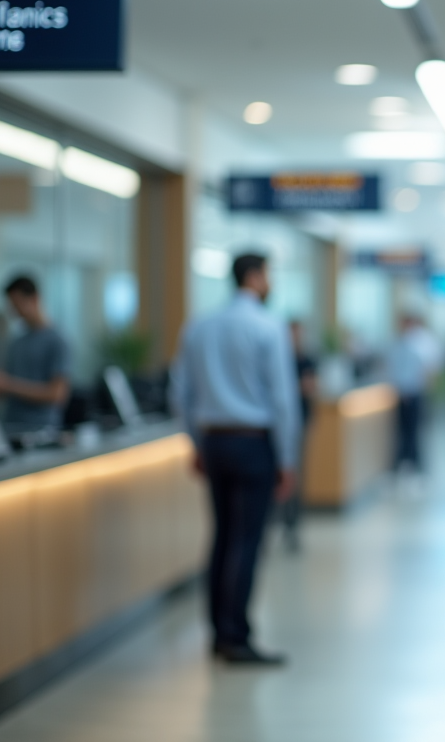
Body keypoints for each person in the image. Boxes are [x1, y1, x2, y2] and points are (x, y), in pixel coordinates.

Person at [172, 253, 300, 666]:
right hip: (253, 443)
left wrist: (196, 443)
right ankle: (236, 637)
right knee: (247, 540)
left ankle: (217, 632)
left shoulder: (199, 326)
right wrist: (287, 458)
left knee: (223, 536)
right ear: (254, 276)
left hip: (214, 442)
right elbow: (282, 399)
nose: (270, 282)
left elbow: (182, 395)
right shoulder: (268, 326)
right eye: (268, 273)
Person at [0, 275, 71, 433]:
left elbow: (57, 394)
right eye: (12, 306)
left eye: (18, 304)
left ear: (35, 299)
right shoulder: (17, 342)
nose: (15, 311)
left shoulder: (57, 341)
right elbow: (10, 384)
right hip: (11, 427)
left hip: (42, 431)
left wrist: (8, 384)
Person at [386, 313, 445, 478]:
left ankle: (415, 465)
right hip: (403, 393)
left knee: (414, 431)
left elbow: (429, 367)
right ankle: (405, 464)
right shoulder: (399, 343)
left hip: (415, 393)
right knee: (404, 432)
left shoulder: (419, 343)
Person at [279, 319, 317, 552]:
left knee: (295, 474)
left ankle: (292, 526)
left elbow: (310, 387)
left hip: (299, 422)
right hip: (277, 425)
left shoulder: (306, 360)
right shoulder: (278, 359)